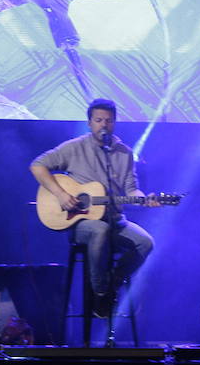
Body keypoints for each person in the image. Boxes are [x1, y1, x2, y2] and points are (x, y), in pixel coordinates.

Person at [29, 98, 156, 317]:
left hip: (115, 220)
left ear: (114, 123)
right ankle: (99, 294)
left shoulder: (124, 153)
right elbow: (37, 165)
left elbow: (131, 189)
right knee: (99, 229)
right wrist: (60, 194)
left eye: (108, 121)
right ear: (90, 123)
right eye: (98, 120)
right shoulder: (74, 147)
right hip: (82, 223)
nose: (103, 125)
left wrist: (143, 199)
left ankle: (110, 287)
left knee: (145, 243)